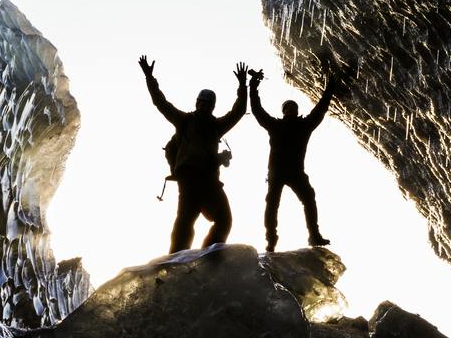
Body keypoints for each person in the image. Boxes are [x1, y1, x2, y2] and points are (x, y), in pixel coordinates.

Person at [139, 56, 248, 253]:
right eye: (202, 102)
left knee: (224, 221)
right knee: (185, 223)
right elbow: (161, 103)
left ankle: (207, 258)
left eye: (208, 104)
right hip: (189, 180)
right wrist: (149, 77)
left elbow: (239, 112)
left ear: (213, 106)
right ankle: (176, 262)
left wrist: (243, 85)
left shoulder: (217, 126)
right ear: (196, 103)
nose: (204, 106)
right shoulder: (184, 120)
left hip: (210, 182)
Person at [249, 63, 342, 251]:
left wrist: (330, 88)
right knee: (272, 204)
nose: (290, 110)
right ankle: (271, 240)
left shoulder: (304, 125)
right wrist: (253, 88)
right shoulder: (275, 125)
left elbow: (320, 109)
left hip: (296, 172)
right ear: (283, 112)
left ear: (297, 111)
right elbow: (257, 111)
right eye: (287, 108)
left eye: (293, 108)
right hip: (276, 172)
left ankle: (314, 235)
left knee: (309, 197)